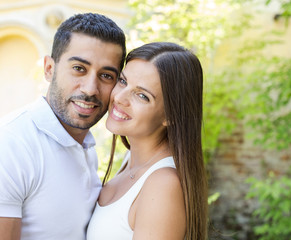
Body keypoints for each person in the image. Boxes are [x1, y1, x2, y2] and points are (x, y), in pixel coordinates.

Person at [0, 13, 126, 240]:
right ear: (49, 68)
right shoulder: (11, 144)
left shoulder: (85, 145)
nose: (90, 89)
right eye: (79, 68)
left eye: (106, 75)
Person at [86, 42, 208, 240]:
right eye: (123, 82)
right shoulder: (132, 160)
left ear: (171, 115)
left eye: (142, 96)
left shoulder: (163, 184)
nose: (120, 98)